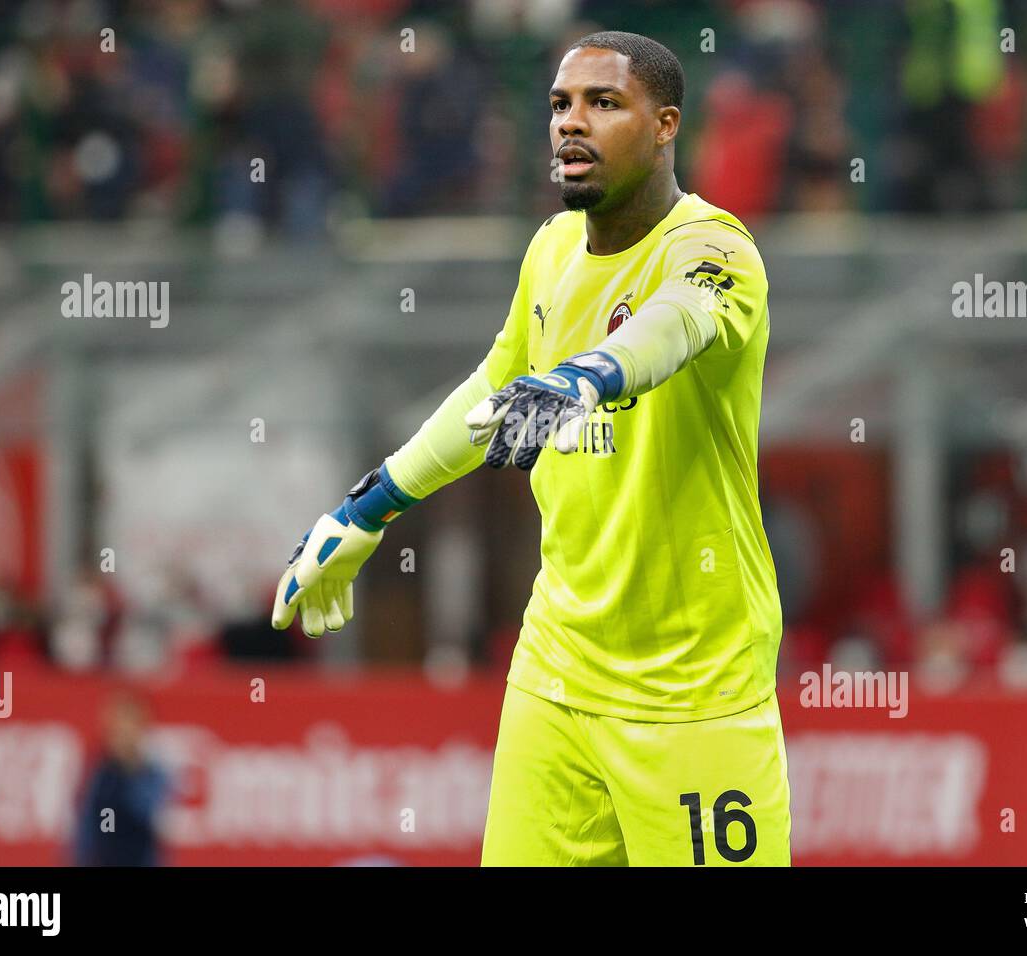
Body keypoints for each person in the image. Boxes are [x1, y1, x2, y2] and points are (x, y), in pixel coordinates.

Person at [271, 31, 789, 867]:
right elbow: (492, 388)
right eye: (559, 105)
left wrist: (586, 378)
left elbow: (677, 323)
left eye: (603, 104)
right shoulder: (550, 251)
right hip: (557, 674)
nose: (571, 125)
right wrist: (367, 507)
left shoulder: (715, 246)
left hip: (694, 693)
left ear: (665, 126)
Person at [72, 693, 170, 866]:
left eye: (128, 726)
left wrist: (128, 770)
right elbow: (93, 826)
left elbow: (145, 813)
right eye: (116, 728)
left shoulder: (152, 774)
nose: (121, 735)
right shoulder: (99, 773)